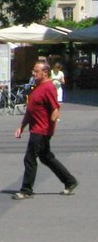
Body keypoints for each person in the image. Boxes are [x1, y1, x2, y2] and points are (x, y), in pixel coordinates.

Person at [12, 61, 78, 200]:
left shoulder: (48, 87)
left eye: (36, 71)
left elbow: (55, 109)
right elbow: (31, 111)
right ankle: (70, 181)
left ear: (45, 72)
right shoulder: (38, 86)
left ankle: (26, 190)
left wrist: (50, 127)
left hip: (41, 130)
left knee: (30, 159)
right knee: (46, 157)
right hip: (37, 128)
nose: (33, 73)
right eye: (33, 71)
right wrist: (21, 127)